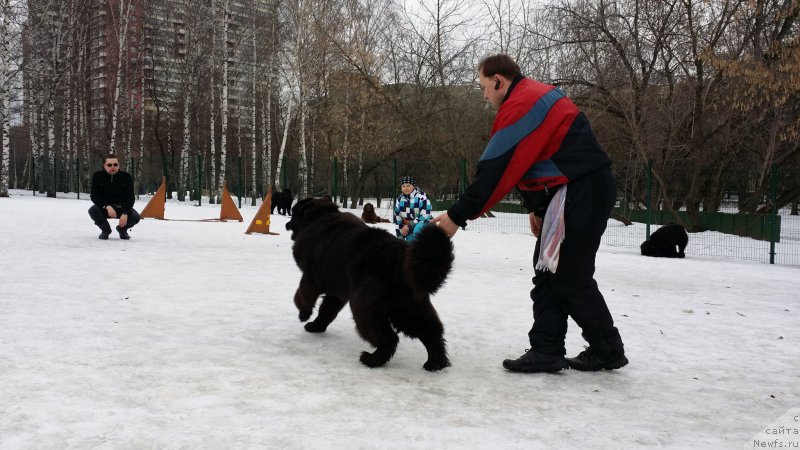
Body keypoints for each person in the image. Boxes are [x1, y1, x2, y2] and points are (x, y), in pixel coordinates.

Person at [432, 54, 627, 373]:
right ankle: (547, 350)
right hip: (572, 190)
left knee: (569, 275)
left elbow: (496, 170)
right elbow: (535, 160)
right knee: (549, 270)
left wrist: (456, 216)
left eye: (484, 87)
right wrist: (539, 208)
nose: (483, 96)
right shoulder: (534, 96)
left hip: (582, 190)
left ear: (499, 80)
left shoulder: (523, 103)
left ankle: (607, 348)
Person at [88, 154, 140, 240]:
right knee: (93, 211)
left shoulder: (126, 177)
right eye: (109, 165)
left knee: (135, 217)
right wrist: (107, 206)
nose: (113, 167)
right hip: (105, 208)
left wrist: (125, 213)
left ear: (118, 165)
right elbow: (94, 196)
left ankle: (122, 230)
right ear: (104, 166)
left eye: (115, 164)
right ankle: (106, 230)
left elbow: (130, 198)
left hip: (121, 207)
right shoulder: (98, 176)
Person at [394, 176, 433, 243]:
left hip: (424, 224)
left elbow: (426, 215)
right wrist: (399, 236)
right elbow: (398, 219)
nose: (406, 188)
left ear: (413, 186)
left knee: (418, 229)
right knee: (409, 244)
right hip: (409, 227)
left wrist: (409, 225)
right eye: (403, 186)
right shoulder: (400, 200)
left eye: (408, 185)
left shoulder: (422, 197)